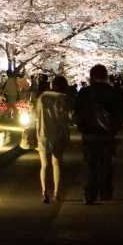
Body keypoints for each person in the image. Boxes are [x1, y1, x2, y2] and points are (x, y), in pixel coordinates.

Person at [74, 64, 123, 204]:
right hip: (107, 135)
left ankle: (90, 194)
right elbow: (120, 114)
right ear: (105, 75)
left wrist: (82, 127)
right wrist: (114, 130)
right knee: (106, 163)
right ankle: (105, 191)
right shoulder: (113, 92)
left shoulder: (85, 92)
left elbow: (77, 113)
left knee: (90, 165)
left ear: (91, 76)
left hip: (89, 134)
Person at [35, 74, 72, 203]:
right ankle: (56, 193)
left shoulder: (42, 97)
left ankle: (44, 192)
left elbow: (36, 114)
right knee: (56, 164)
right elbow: (66, 118)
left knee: (44, 165)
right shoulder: (63, 98)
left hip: (43, 133)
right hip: (58, 134)